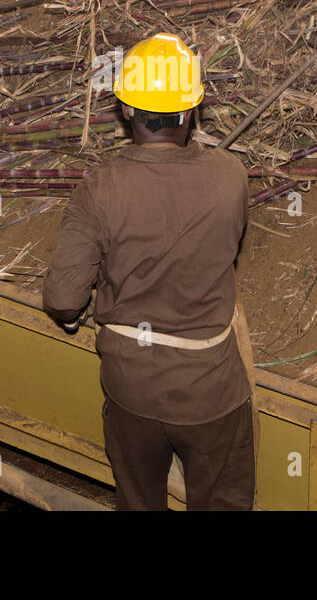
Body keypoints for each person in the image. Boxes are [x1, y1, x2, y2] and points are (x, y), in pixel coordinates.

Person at [44, 33, 256, 510]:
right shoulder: (230, 175)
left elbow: (62, 298)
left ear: (125, 110)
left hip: (131, 390)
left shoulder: (101, 187)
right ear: (190, 111)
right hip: (210, 392)